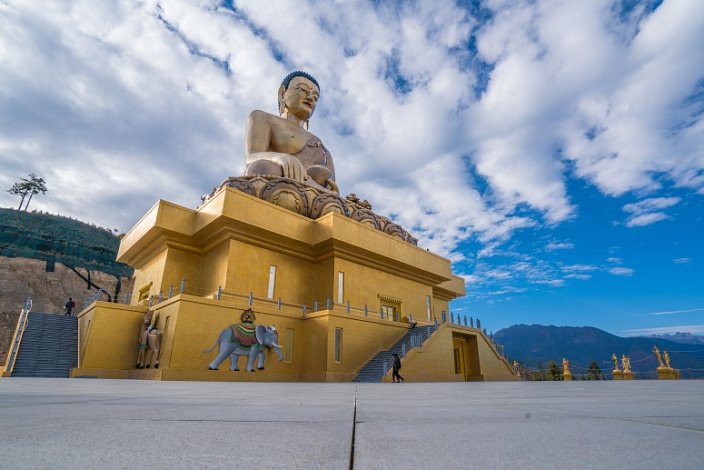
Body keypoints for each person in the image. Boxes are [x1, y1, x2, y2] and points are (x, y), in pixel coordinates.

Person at [244, 71, 338, 192]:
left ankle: (303, 190)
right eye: (302, 89)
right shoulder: (263, 117)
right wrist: (281, 158)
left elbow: (333, 189)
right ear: (282, 93)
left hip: (312, 195)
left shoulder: (320, 146)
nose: (310, 98)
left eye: (315, 97)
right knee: (261, 167)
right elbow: (251, 158)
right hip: (274, 182)